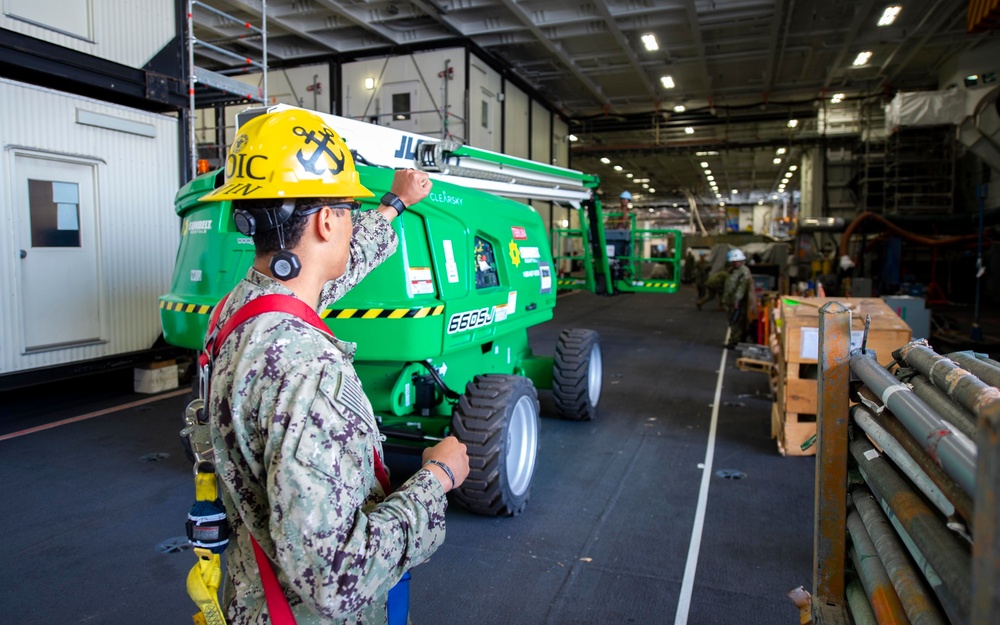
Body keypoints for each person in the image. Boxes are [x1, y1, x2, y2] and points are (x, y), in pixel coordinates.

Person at [200, 108, 470, 624]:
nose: (350, 220)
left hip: (251, 596)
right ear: (327, 220)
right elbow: (335, 577)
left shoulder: (237, 312)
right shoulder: (307, 369)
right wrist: (437, 478)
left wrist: (392, 205)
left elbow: (322, 277)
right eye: (348, 207)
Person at [722, 248, 753, 348]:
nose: (734, 264)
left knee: (736, 321)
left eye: (736, 262)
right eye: (733, 262)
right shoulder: (733, 270)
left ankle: (735, 340)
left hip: (737, 301)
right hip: (730, 300)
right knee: (732, 320)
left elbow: (742, 287)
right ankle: (736, 338)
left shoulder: (744, 272)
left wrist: (737, 300)